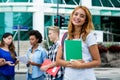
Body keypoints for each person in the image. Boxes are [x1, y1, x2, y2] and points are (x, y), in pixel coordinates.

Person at [56, 6, 101, 80]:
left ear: (85, 20)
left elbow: (97, 61)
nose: (77, 17)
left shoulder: (89, 36)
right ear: (72, 16)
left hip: (86, 77)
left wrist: (80, 66)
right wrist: (72, 64)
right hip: (68, 77)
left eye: (82, 16)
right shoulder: (65, 36)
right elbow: (58, 61)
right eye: (76, 14)